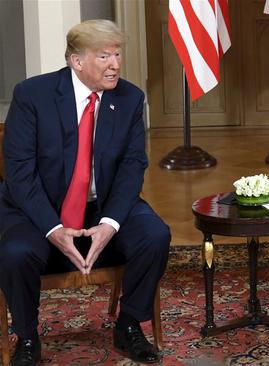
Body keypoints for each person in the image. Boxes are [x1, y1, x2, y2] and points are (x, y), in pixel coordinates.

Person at [0, 20, 171, 365]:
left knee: (154, 236)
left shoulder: (130, 98)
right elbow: (20, 173)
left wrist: (109, 222)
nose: (116, 65)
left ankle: (129, 324)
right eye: (104, 56)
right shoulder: (32, 95)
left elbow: (132, 166)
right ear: (77, 61)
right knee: (16, 252)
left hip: (101, 205)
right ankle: (28, 338)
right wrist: (52, 228)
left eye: (118, 54)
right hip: (36, 209)